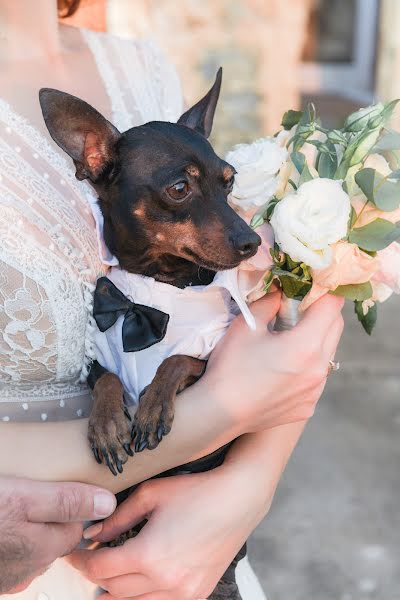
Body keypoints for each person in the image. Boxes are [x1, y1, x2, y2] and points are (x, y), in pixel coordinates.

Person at [0, 0, 344, 597]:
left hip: (200, 557)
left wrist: (249, 488)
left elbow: (270, 327)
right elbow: (254, 389)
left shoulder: (139, 64)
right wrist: (221, 415)